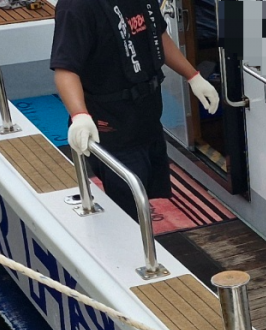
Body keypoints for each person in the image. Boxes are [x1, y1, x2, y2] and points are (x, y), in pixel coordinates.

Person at [50, 0, 220, 218]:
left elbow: (157, 35)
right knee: (127, 194)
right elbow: (65, 69)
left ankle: (140, 214)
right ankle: (131, 235)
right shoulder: (76, 7)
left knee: (148, 180)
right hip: (112, 123)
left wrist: (193, 76)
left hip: (147, 115)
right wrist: (80, 115)